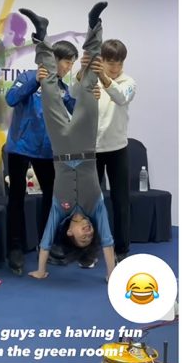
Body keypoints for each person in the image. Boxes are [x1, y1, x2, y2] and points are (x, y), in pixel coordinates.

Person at [19, 1, 116, 281]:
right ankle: (94, 26)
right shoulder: (96, 206)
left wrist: (40, 270)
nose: (88, 232)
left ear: (70, 233)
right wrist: (111, 273)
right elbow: (107, 240)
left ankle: (41, 34)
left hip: (60, 144)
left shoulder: (58, 209)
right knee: (88, 83)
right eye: (90, 235)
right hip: (85, 143)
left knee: (48, 88)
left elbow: (46, 239)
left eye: (82, 237)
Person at [4, 40, 80, 275]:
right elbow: (11, 98)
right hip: (19, 147)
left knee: (50, 197)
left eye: (72, 63)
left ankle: (45, 244)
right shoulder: (28, 76)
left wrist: (85, 96)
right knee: (16, 198)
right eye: (67, 62)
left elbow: (76, 110)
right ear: (55, 59)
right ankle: (14, 248)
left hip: (45, 151)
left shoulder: (61, 87)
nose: (69, 67)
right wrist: (35, 81)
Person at [72, 39, 136, 262]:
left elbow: (120, 97)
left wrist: (104, 78)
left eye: (119, 63)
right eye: (110, 63)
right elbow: (73, 92)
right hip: (92, 149)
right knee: (89, 203)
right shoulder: (92, 77)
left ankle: (122, 249)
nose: (115, 68)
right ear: (102, 60)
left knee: (120, 201)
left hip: (118, 149)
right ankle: (89, 251)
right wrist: (83, 70)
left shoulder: (128, 82)